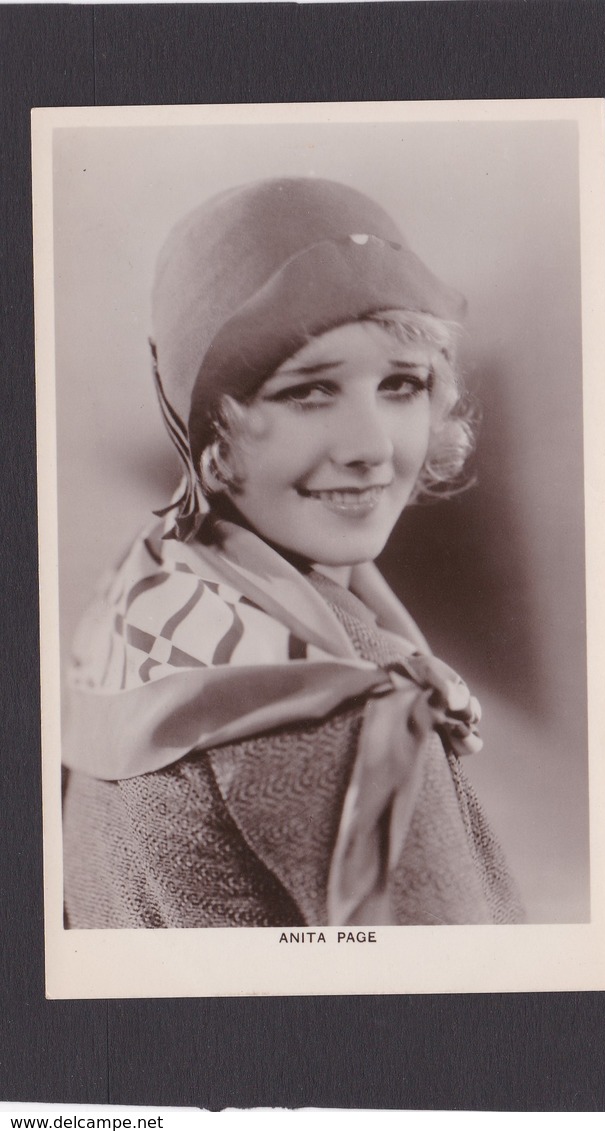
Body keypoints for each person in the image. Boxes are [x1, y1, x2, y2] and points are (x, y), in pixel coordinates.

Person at [62, 177, 522, 928]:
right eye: (309, 392)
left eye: (401, 383)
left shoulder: (139, 594)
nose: (372, 447)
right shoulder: (347, 715)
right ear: (214, 428)